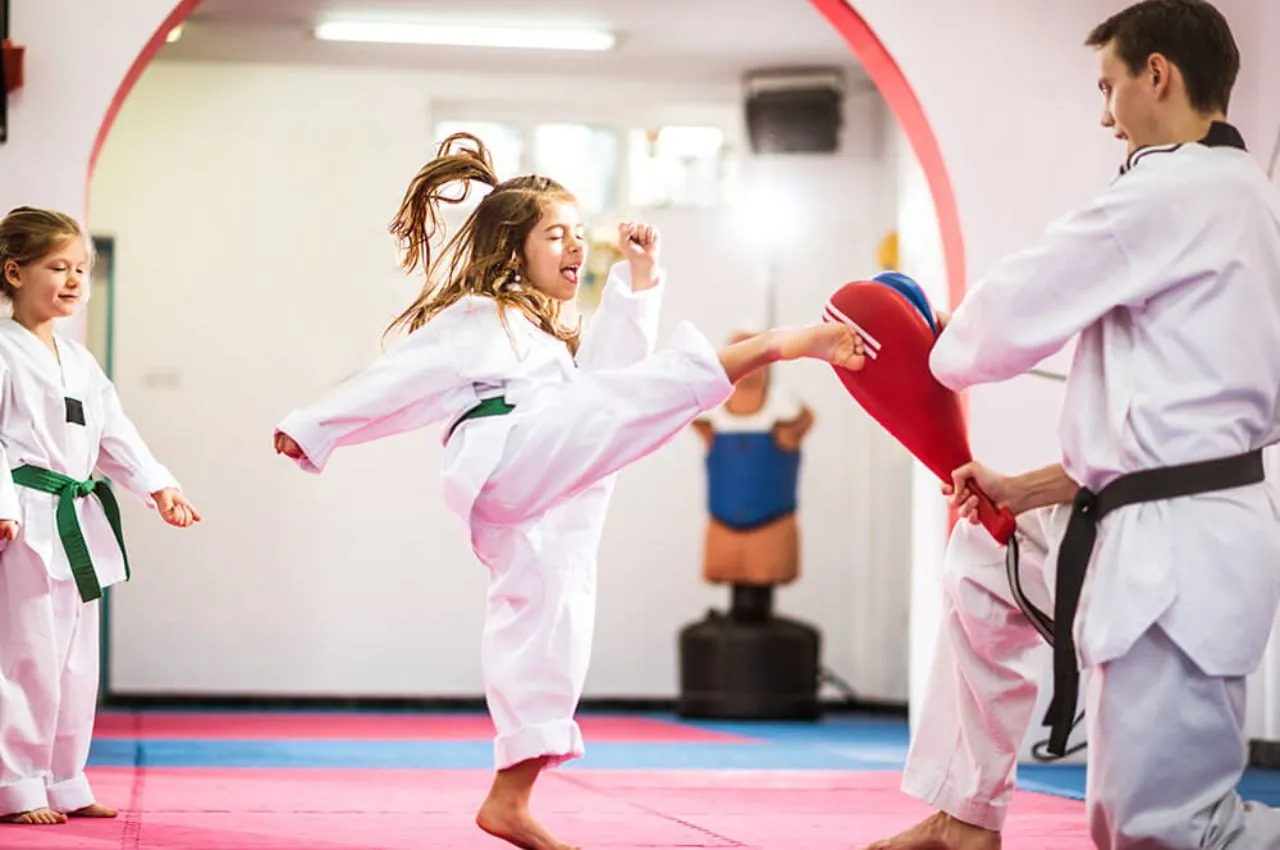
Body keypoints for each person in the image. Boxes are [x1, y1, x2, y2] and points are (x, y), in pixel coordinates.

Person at [272, 132, 864, 850]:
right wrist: (315, 426)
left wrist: (639, 278)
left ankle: (509, 798)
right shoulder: (480, 317)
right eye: (555, 233)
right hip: (512, 457)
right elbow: (400, 381)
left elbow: (612, 377)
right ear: (512, 247)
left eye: (581, 235)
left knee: (554, 624)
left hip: (543, 497)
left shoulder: (549, 336)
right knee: (628, 405)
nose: (575, 246)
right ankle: (773, 343)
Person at [861, 1, 1280, 848]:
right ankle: (964, 817)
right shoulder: (1245, 200)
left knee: (1158, 831)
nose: (1104, 113)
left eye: (1109, 85)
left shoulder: (1169, 191)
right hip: (1161, 518)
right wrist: (1027, 488)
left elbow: (992, 331)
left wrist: (927, 340)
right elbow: (1164, 429)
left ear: (1156, 74)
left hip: (1175, 552)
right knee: (988, 554)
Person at [0, 206, 201, 827]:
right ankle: (16, 786)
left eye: (81, 269)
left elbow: (117, 434)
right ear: (12, 272)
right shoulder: (4, 353)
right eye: (57, 267)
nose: (73, 281)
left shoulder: (80, 361)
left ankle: (64, 779)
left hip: (76, 518)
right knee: (26, 656)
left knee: (75, 659)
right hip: (23, 522)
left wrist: (158, 486)